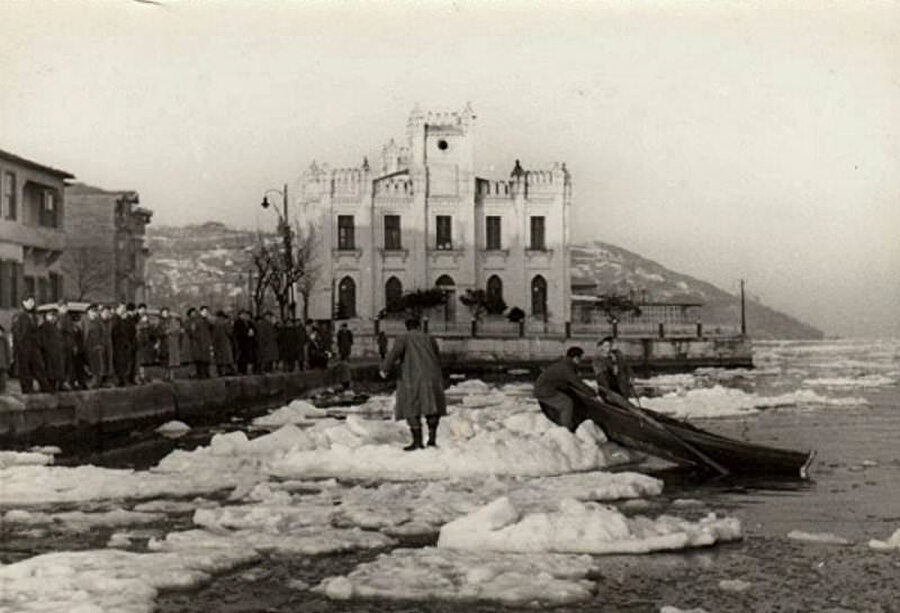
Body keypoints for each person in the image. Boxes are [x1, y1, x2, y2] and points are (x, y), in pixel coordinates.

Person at [379, 318, 446, 451]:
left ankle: (417, 442)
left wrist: (384, 369)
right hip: (433, 376)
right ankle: (432, 439)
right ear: (419, 326)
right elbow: (437, 357)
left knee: (411, 406)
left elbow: (394, 354)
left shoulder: (403, 338)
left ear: (407, 327)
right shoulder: (430, 338)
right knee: (431, 406)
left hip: (412, 377)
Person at [532, 347, 598, 432]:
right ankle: (566, 430)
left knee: (571, 398)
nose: (580, 360)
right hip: (544, 391)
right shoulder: (566, 368)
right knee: (567, 403)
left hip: (548, 388)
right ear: (575, 358)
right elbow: (577, 382)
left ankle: (571, 422)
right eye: (580, 358)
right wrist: (593, 394)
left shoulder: (565, 364)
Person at [12, 296, 50, 394]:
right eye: (29, 301)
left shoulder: (34, 315)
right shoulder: (19, 316)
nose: (31, 303)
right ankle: (27, 389)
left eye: (32, 301)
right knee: (25, 369)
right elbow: (17, 333)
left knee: (39, 366)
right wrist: (20, 347)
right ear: (23, 302)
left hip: (34, 345)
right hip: (24, 346)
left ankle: (44, 386)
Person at [593, 336, 635, 403]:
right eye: (606, 346)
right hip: (610, 391)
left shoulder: (618, 354)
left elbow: (627, 367)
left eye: (610, 345)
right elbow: (602, 377)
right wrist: (608, 392)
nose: (609, 348)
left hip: (623, 387)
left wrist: (631, 377)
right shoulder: (598, 360)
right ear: (601, 347)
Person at [83, 304, 106, 389]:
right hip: (86, 348)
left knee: (98, 367)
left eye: (95, 311)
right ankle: (88, 383)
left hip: (96, 348)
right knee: (88, 367)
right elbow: (82, 334)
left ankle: (96, 384)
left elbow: (103, 334)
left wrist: (101, 345)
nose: (94, 313)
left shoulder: (99, 322)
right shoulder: (84, 321)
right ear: (88, 312)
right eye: (92, 311)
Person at [111, 303, 134, 387]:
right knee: (119, 363)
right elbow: (115, 333)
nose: (124, 310)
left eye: (124, 308)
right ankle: (120, 380)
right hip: (118, 345)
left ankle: (122, 380)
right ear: (117, 308)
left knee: (124, 363)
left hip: (123, 345)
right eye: (122, 308)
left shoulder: (121, 319)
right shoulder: (115, 319)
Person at [187, 306, 213, 379]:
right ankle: (201, 374)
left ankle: (206, 374)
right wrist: (197, 337)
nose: (206, 313)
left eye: (207, 311)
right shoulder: (196, 320)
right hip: (199, 343)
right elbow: (192, 332)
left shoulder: (206, 320)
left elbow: (212, 326)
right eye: (204, 311)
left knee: (206, 359)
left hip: (205, 342)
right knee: (200, 360)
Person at [159, 307, 182, 381]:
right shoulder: (161, 322)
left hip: (171, 343)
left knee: (171, 360)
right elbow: (158, 332)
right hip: (164, 343)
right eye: (163, 313)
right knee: (165, 360)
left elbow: (177, 330)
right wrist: (163, 333)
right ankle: (166, 375)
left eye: (166, 313)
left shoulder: (173, 321)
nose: (165, 314)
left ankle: (172, 375)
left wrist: (170, 331)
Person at [212, 311, 235, 376]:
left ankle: (220, 372)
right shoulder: (225, 323)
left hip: (217, 343)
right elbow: (229, 332)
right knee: (227, 358)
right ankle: (229, 371)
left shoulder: (215, 323)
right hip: (225, 342)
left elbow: (213, 334)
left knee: (219, 359)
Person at [233, 310, 256, 375]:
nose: (244, 316)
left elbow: (254, 329)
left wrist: (252, 333)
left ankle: (245, 370)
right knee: (241, 356)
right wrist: (246, 333)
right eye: (242, 314)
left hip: (248, 341)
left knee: (246, 356)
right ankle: (241, 370)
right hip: (241, 342)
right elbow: (237, 332)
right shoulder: (237, 323)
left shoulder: (249, 322)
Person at [136, 312, 157, 383]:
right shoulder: (138, 327)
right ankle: (141, 376)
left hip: (148, 347)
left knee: (148, 363)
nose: (145, 318)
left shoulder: (150, 327)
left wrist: (154, 343)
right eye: (143, 317)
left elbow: (153, 336)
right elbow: (138, 336)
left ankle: (146, 376)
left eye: (146, 317)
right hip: (141, 346)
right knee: (141, 363)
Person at [0, 325, 10, 394]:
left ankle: (2, 390)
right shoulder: (4, 339)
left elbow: (8, 351)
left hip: (2, 362)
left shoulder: (4, 340)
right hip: (3, 361)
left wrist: (8, 360)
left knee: (2, 376)